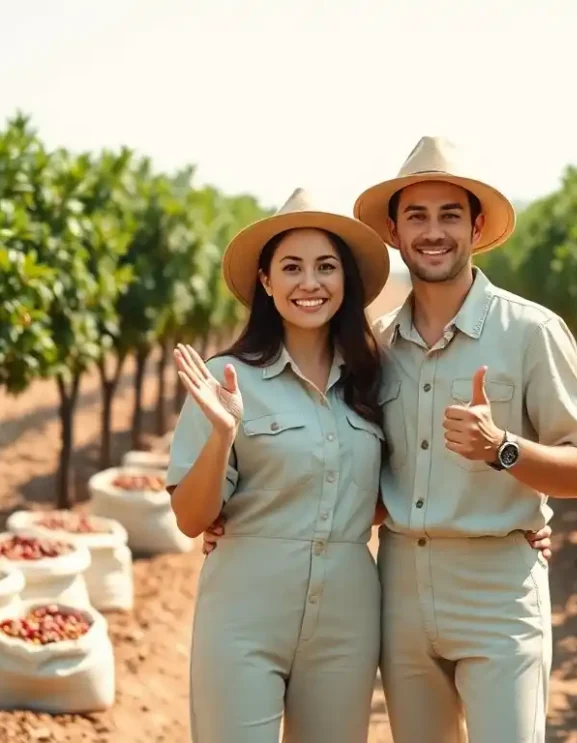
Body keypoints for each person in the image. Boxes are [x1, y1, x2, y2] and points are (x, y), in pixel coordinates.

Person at [354, 135, 577, 743]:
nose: (432, 231)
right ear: (394, 230)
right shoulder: (378, 345)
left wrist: (503, 449)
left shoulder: (531, 332)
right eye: (416, 215)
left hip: (497, 593)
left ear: (475, 226)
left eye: (449, 215)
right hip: (401, 590)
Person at [165, 187, 394, 742]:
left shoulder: (376, 379)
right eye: (291, 267)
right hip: (243, 613)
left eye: (325, 267)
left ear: (346, 281)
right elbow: (192, 518)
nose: (309, 283)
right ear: (266, 282)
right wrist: (223, 433)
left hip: (347, 616)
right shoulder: (224, 380)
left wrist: (517, 523)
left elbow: (395, 492)